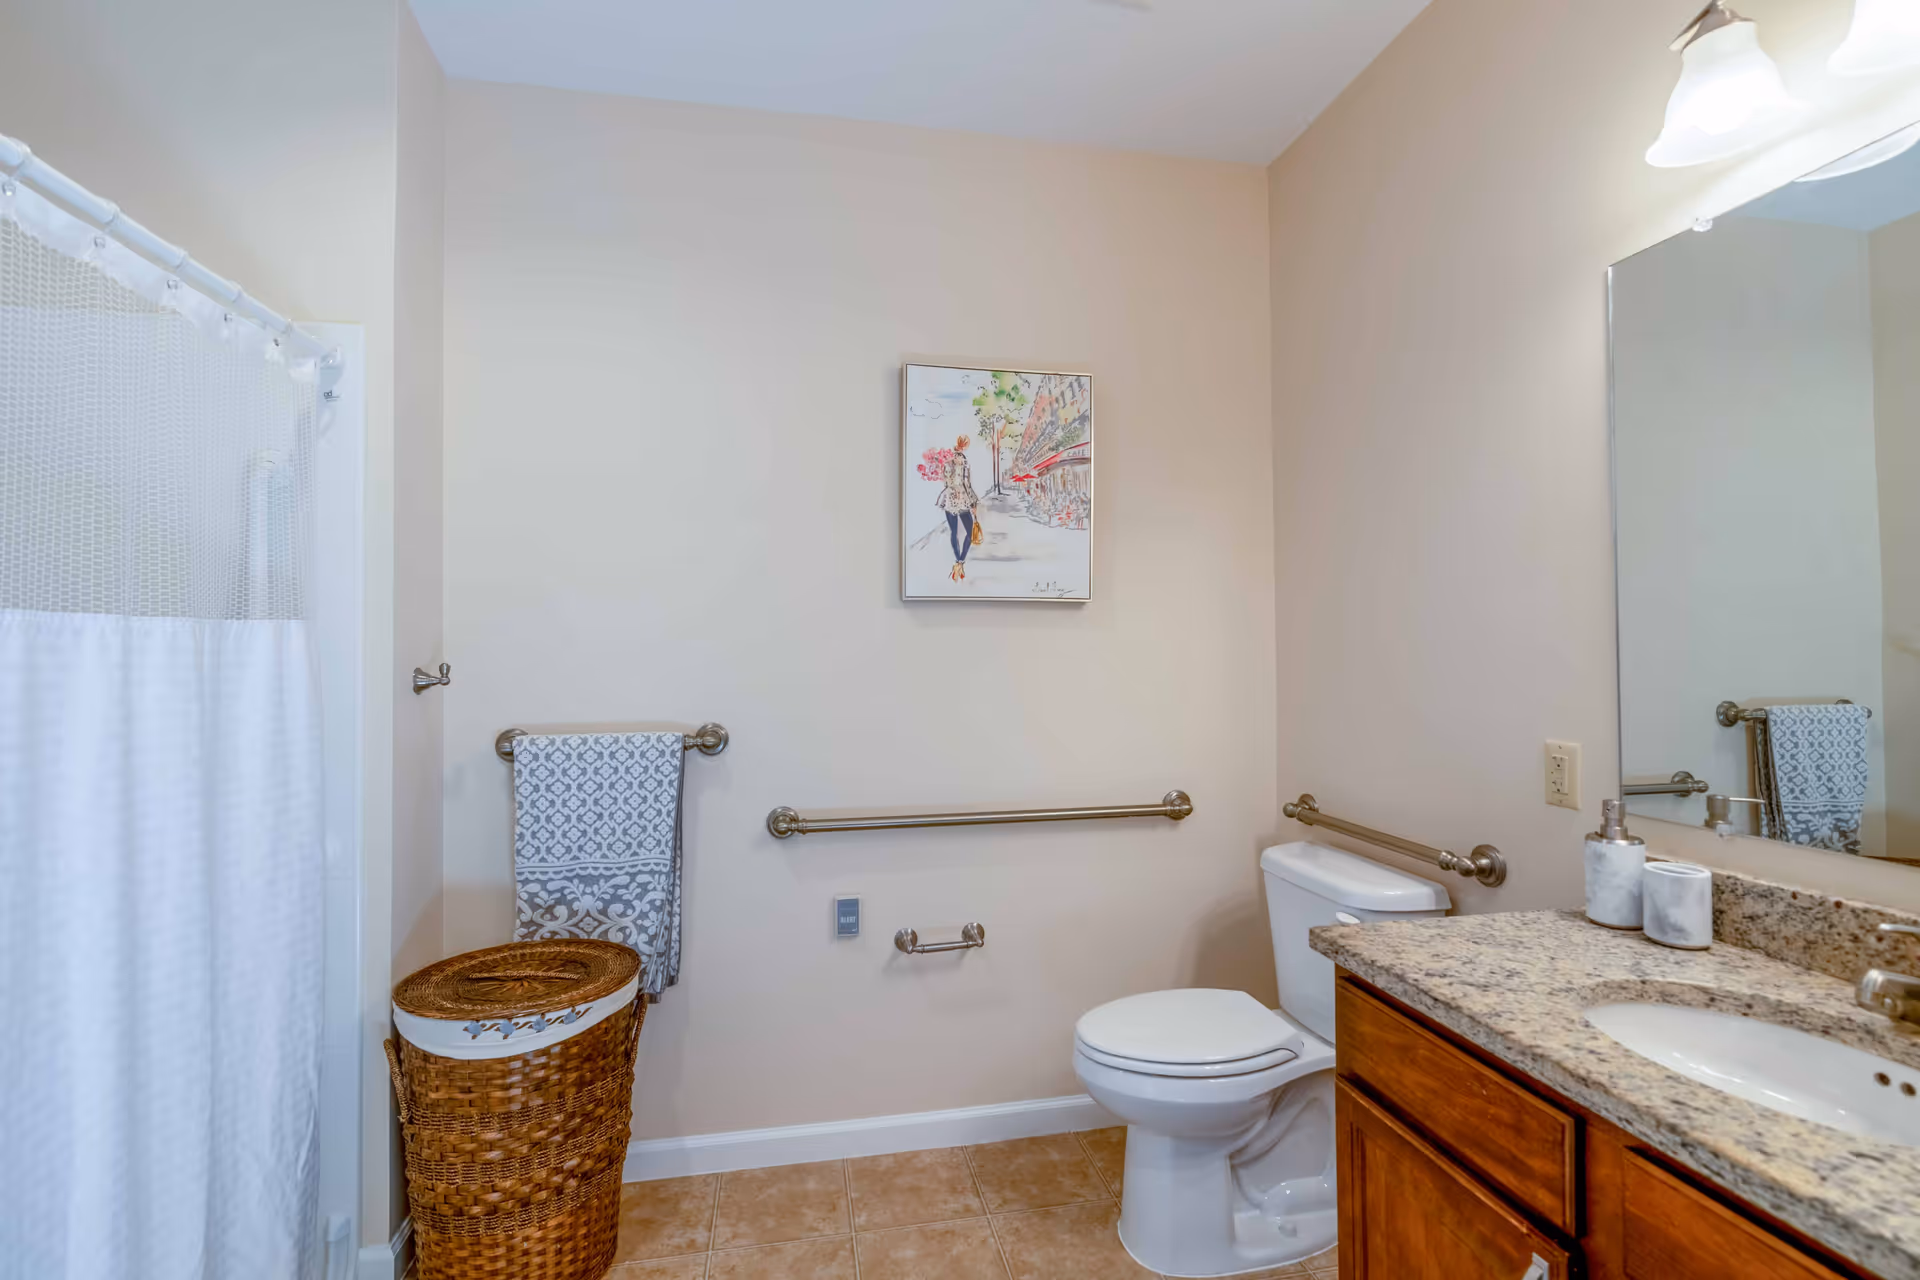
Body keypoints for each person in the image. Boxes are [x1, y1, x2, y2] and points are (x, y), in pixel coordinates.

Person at [937, 434, 980, 581]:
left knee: (958, 532)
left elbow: (949, 482)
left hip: (953, 499)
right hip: (958, 499)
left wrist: (972, 503)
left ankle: (958, 561)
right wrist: (973, 503)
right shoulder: (959, 463)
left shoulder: (952, 463)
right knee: (964, 532)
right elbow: (964, 484)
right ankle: (960, 562)